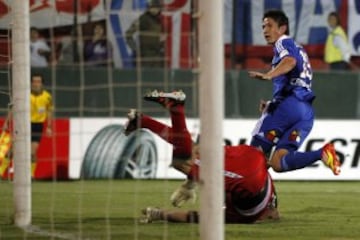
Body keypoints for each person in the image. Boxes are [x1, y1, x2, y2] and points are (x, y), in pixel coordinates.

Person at [124, 89, 280, 224]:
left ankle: (142, 120)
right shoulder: (244, 216)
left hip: (252, 156)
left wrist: (192, 182)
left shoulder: (270, 191)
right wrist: (160, 213)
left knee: (192, 149)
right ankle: (176, 108)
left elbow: (273, 211)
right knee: (181, 162)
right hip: (244, 179)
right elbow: (192, 217)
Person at [248, 9, 341, 175]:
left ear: (283, 28)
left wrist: (269, 75)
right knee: (278, 162)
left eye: (269, 25)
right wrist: (272, 103)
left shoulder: (283, 42)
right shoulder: (299, 48)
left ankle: (245, 199)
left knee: (251, 157)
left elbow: (290, 61)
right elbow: (295, 78)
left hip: (287, 107)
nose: (265, 30)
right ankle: (321, 153)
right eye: (263, 26)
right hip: (305, 113)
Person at [125, 0, 166, 68]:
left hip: (158, 57)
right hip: (145, 57)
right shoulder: (143, 19)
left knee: (158, 77)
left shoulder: (161, 20)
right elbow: (128, 34)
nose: (154, 9)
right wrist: (135, 49)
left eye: (157, 7)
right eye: (152, 7)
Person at [31, 73, 53, 177]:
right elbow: (13, 108)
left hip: (38, 126)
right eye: (34, 81)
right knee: (13, 150)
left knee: (32, 152)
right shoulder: (25, 95)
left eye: (38, 82)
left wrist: (49, 127)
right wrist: (8, 122)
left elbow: (49, 111)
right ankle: (1, 171)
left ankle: (30, 175)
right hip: (24, 124)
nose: (36, 84)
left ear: (42, 84)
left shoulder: (47, 97)